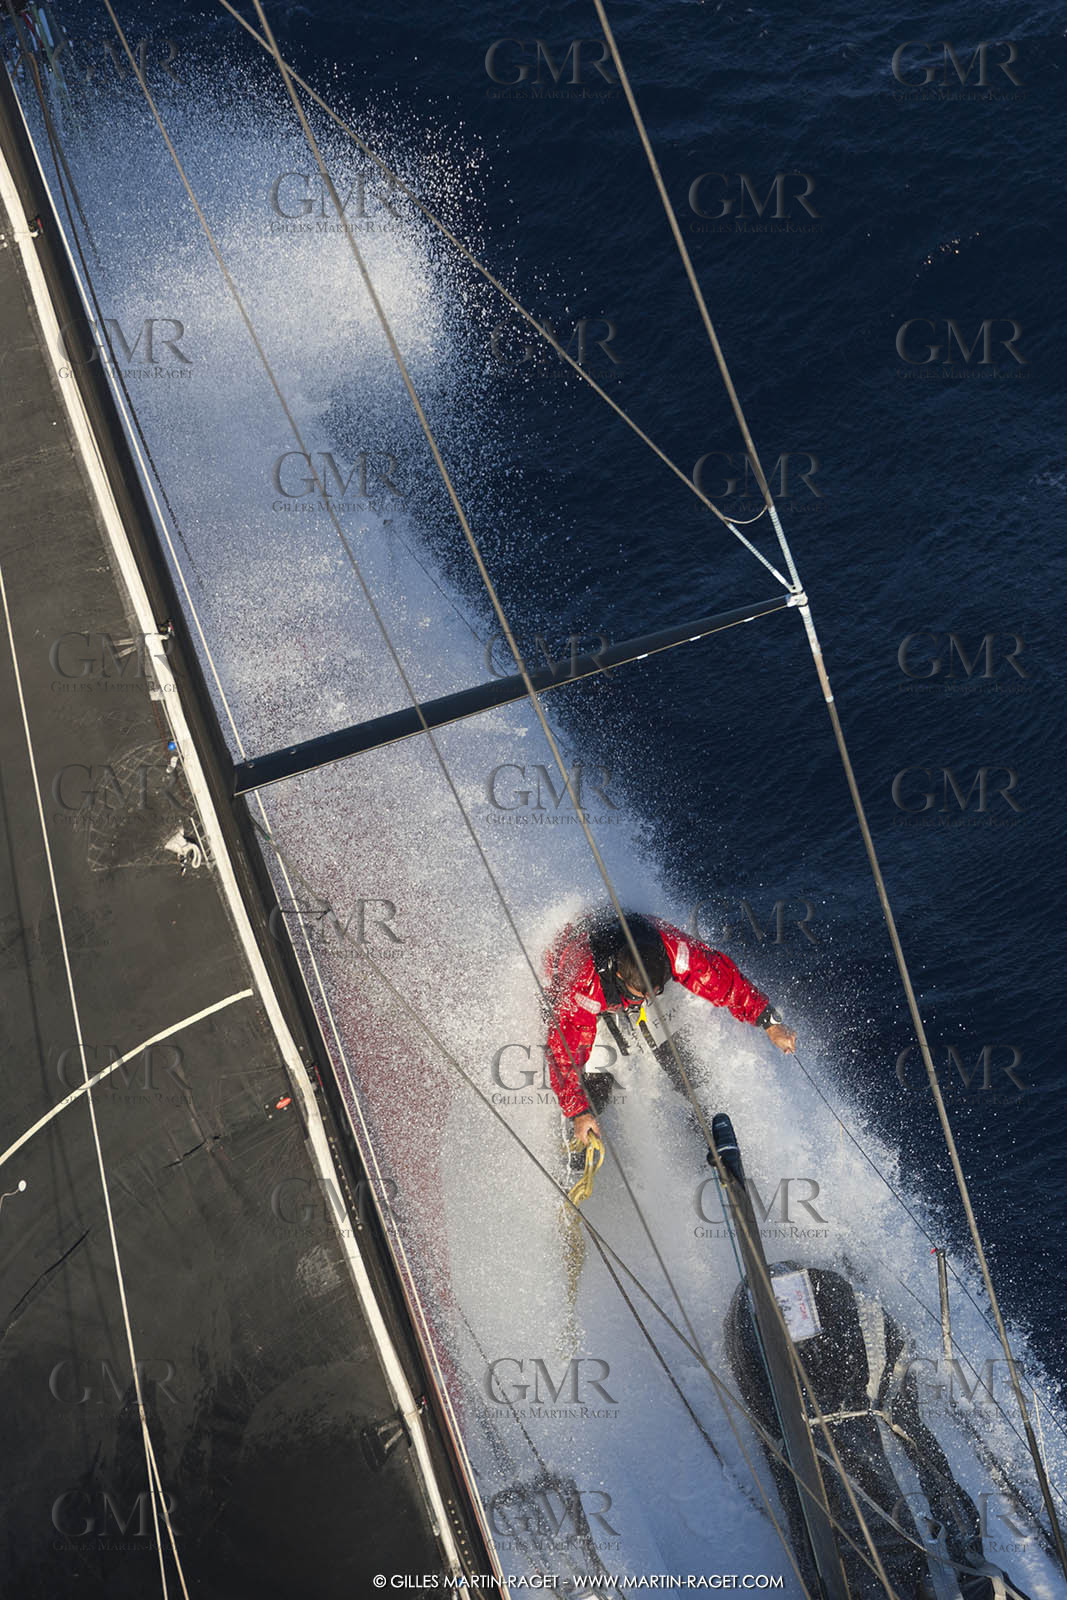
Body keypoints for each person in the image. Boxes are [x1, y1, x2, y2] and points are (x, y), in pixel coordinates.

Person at [544, 911, 797, 1147]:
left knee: (684, 1067)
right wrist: (577, 1110)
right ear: (621, 978)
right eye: (640, 994)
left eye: (654, 991)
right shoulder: (583, 987)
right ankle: (572, 1150)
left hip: (630, 959)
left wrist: (768, 1022)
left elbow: (721, 979)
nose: (647, 997)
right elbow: (563, 1053)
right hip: (583, 986)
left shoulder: (673, 950)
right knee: (593, 1094)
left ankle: (707, 1134)